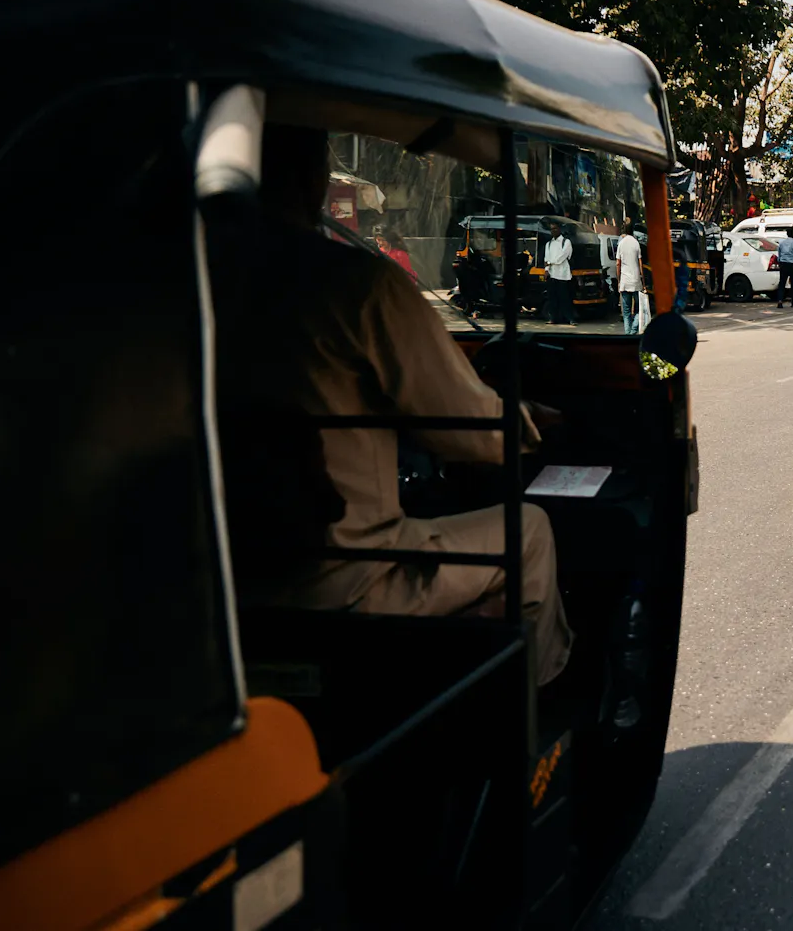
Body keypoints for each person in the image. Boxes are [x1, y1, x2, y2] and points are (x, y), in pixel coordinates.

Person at [215, 124, 572, 684]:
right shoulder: (356, 284)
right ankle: (537, 732)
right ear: (312, 177)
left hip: (214, 582)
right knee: (530, 531)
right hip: (348, 577)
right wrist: (525, 424)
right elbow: (464, 428)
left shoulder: (186, 281)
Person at [615, 220, 645, 333]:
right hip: (636, 281)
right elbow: (640, 263)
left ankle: (628, 334)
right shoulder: (636, 243)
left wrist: (619, 280)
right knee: (638, 309)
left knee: (626, 312)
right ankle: (633, 331)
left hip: (624, 282)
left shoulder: (621, 243)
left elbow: (618, 263)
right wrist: (644, 282)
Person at [543, 220, 574, 325]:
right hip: (552, 274)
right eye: (551, 229)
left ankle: (570, 319)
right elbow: (546, 258)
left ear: (560, 229)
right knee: (552, 299)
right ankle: (553, 318)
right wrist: (546, 270)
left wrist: (550, 262)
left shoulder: (566, 242)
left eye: (555, 228)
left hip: (563, 275)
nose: (553, 231)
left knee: (565, 298)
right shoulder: (549, 244)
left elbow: (562, 257)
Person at [773, 232, 793, 309]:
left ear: (787, 234)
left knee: (782, 283)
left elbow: (779, 254)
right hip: (792, 265)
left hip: (783, 264)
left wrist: (780, 262)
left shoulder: (782, 243)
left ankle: (780, 301)